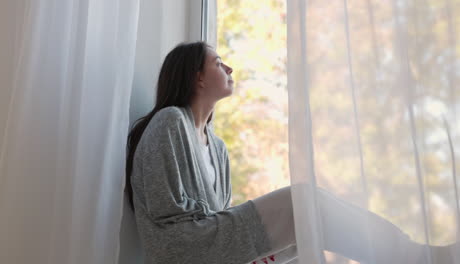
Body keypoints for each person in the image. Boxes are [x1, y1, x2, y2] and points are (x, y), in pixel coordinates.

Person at [125, 41, 458, 264]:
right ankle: (416, 256)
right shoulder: (170, 122)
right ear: (196, 77)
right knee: (303, 201)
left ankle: (410, 254)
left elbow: (219, 213)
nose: (229, 69)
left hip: (214, 246)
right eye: (218, 63)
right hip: (184, 250)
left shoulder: (219, 149)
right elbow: (166, 212)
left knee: (306, 232)